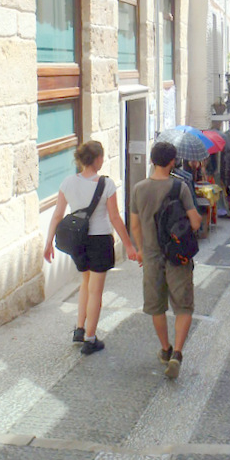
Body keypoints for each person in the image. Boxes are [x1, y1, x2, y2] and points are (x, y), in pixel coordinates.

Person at [43, 141, 137, 355]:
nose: (103, 161)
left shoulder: (68, 182)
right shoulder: (107, 185)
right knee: (96, 291)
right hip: (100, 240)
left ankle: (79, 328)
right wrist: (129, 245)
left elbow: (58, 214)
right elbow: (114, 217)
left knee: (85, 283)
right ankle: (90, 338)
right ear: (96, 159)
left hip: (78, 241)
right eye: (102, 157)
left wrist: (49, 242)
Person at [130, 141, 202, 379]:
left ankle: (165, 348)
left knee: (156, 306)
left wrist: (141, 250)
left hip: (151, 257)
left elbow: (135, 225)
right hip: (177, 256)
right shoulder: (179, 187)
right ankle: (177, 354)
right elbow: (195, 222)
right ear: (172, 162)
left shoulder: (138, 189)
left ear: (152, 160)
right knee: (184, 306)